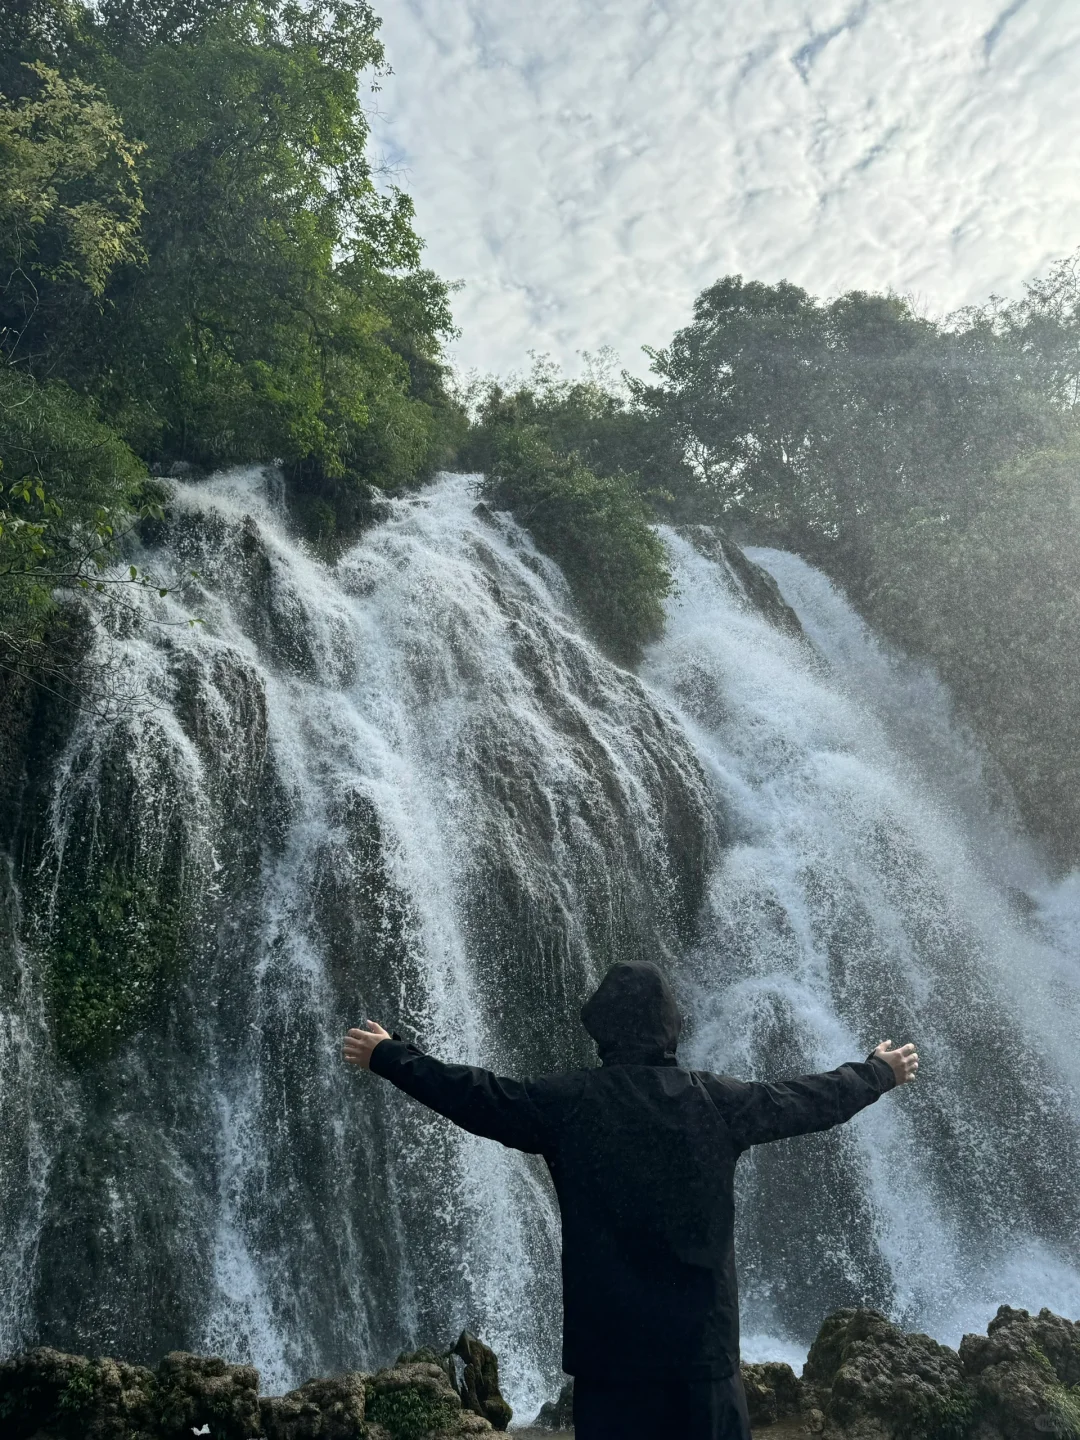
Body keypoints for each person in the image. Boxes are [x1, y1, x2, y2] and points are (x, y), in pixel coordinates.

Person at [343, 961, 918, 1440]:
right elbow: (810, 1099)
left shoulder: (566, 1104)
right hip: (703, 1361)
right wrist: (877, 1073)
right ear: (670, 1028)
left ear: (602, 1030)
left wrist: (389, 1055)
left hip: (611, 1363)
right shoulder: (717, 1102)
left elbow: (474, 1095)